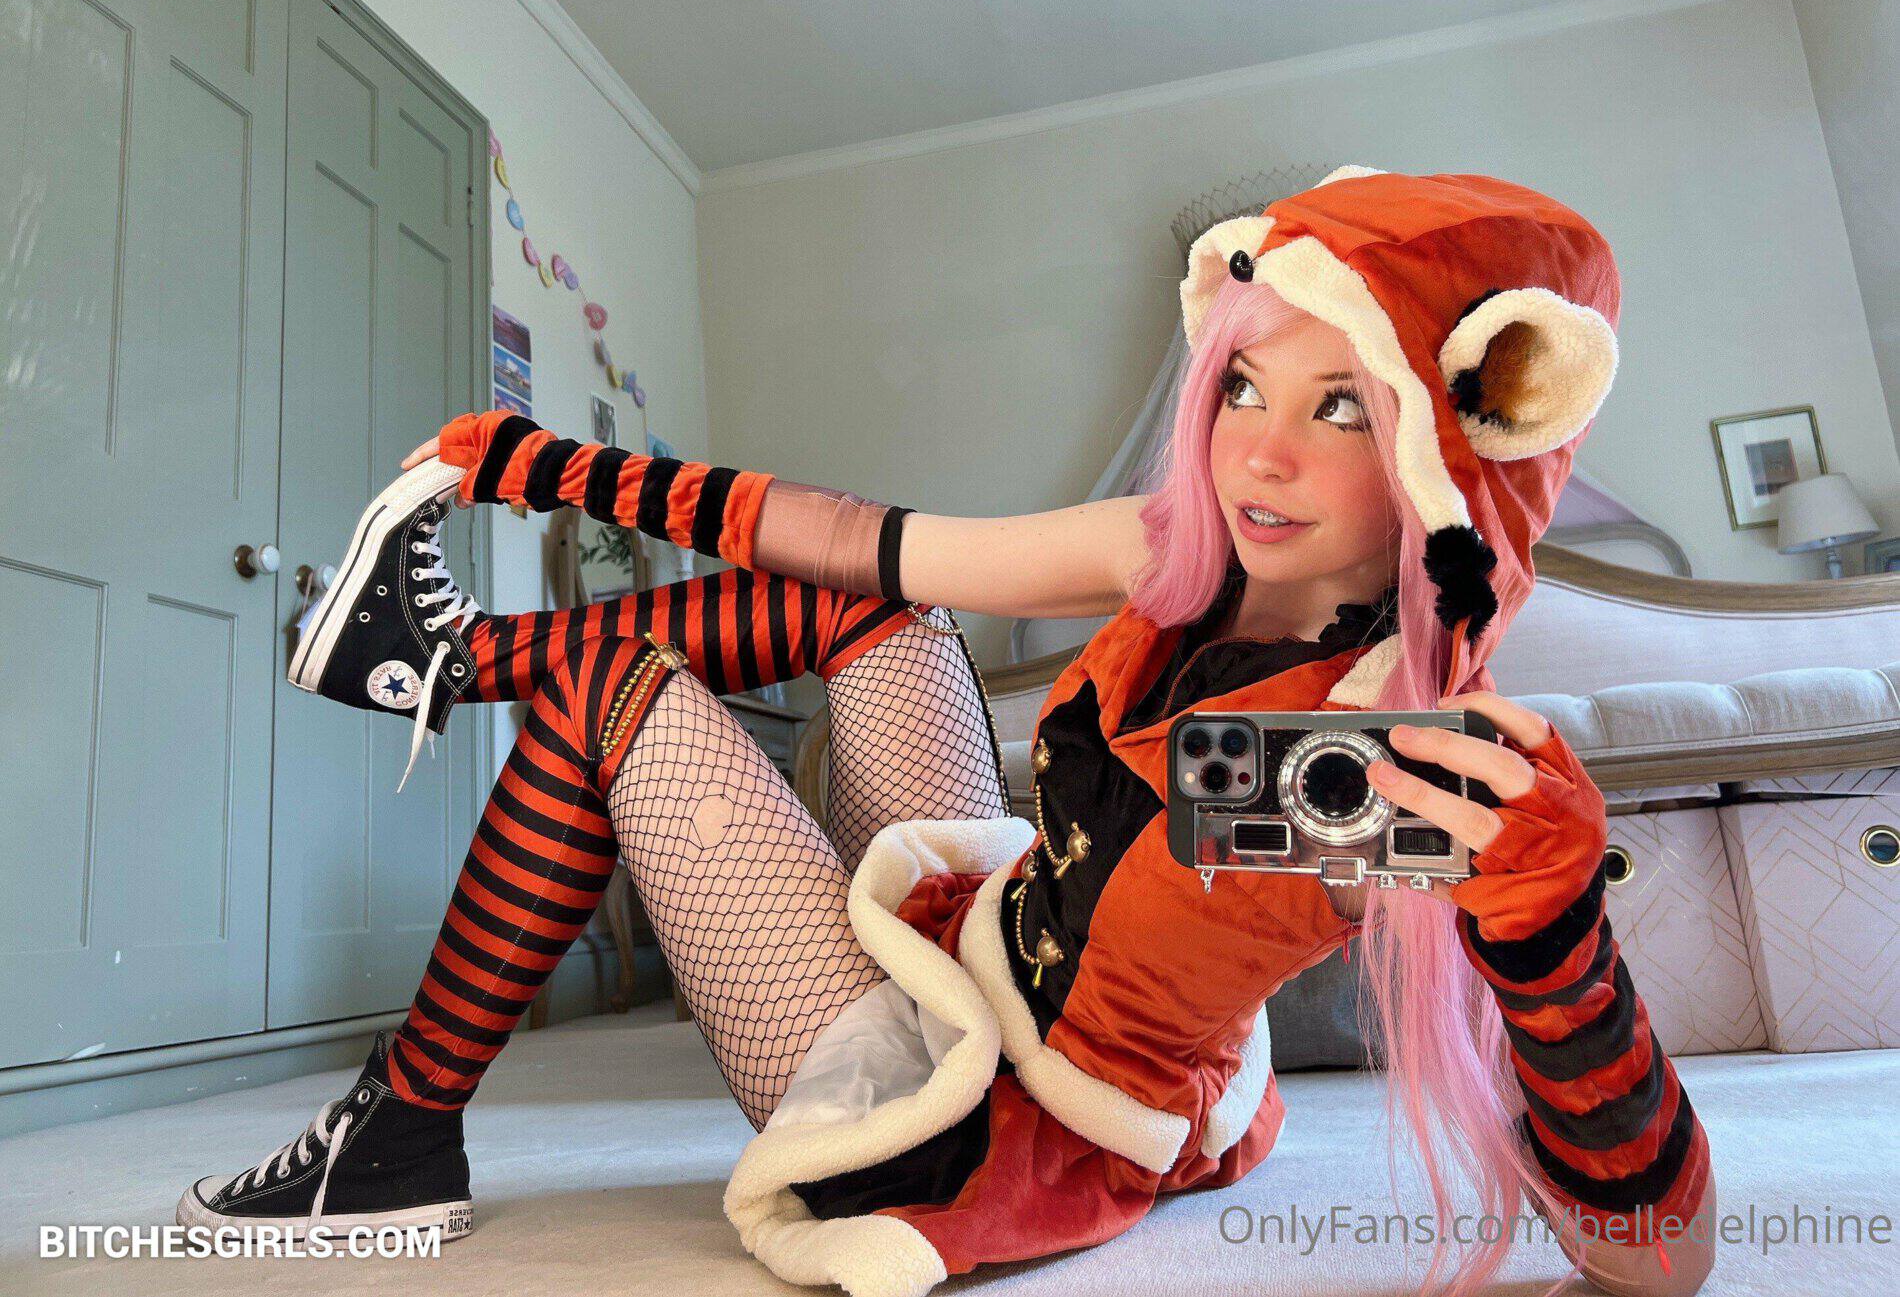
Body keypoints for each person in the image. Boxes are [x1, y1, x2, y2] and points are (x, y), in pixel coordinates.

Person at [180, 166, 1713, 1297]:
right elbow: (876, 543)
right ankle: (449, 660)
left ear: (1450, 458)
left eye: (1344, 408)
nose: (1259, 449)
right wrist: (554, 466)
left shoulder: (1376, 759)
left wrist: (1550, 925)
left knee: (601, 691)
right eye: (1246, 383)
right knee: (890, 614)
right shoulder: (1186, 559)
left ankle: (396, 1127)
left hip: (1003, 1108)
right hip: (985, 937)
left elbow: (1665, 1260)